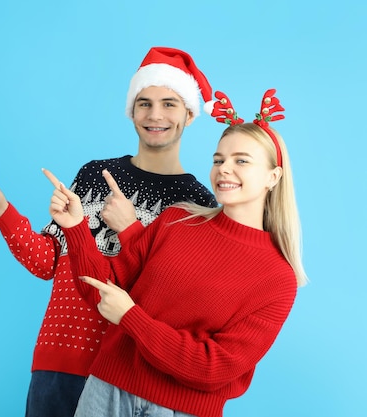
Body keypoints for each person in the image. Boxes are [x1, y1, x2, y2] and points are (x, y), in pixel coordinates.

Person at [0, 47, 217, 417]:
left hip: (125, 379)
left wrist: (131, 227)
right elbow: (47, 261)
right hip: (57, 361)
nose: (155, 114)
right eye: (144, 103)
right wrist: (3, 212)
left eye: (169, 103)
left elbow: (173, 298)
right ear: (132, 111)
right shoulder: (94, 174)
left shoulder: (196, 204)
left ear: (190, 114)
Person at [44, 88, 308, 417]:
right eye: (218, 159)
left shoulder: (278, 278)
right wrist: (76, 226)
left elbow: (214, 368)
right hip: (106, 390)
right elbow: (103, 291)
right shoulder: (175, 221)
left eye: (241, 160)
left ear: (273, 176)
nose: (224, 169)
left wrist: (132, 318)